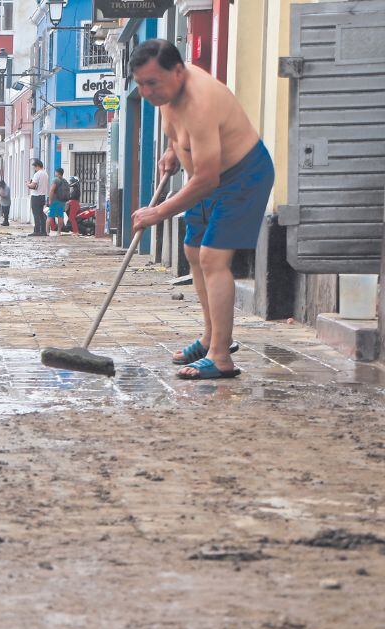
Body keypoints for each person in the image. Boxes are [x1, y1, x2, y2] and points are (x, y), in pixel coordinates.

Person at [127, 39, 274, 380]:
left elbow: (208, 178)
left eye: (152, 83)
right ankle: (211, 337)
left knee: (212, 257)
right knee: (193, 250)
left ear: (178, 72)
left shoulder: (201, 101)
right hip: (206, 176)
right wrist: (172, 151)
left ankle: (221, 357)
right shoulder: (166, 93)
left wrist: (159, 212)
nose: (146, 92)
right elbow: (179, 131)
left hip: (242, 177)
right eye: (140, 84)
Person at [26, 159, 48, 236]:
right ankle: (43, 231)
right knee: (41, 214)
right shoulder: (45, 174)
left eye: (34, 167)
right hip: (43, 196)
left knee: (36, 214)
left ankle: (37, 231)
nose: (34, 169)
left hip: (36, 196)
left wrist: (28, 184)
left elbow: (33, 185)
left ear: (37, 166)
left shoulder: (37, 174)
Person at [47, 167, 69, 235]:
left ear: (57, 172)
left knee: (50, 216)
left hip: (55, 201)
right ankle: (59, 232)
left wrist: (50, 200)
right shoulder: (65, 181)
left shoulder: (56, 180)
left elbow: (51, 190)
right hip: (62, 201)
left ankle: (47, 232)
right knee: (60, 216)